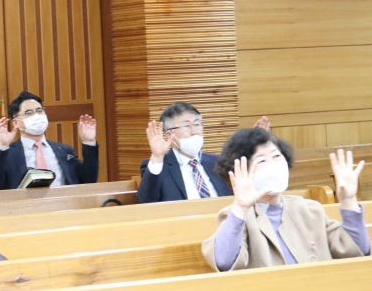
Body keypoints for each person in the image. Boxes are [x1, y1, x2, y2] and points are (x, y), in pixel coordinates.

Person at [202, 128, 368, 271]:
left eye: (276, 156)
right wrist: (240, 208)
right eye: (262, 160)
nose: (273, 164)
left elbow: (356, 251)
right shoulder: (237, 216)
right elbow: (224, 262)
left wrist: (348, 201)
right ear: (242, 171)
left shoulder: (309, 208)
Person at [0, 91, 99, 190]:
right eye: (29, 113)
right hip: (27, 208)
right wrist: (2, 146)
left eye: (39, 110)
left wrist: (88, 142)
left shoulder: (64, 150)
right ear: (16, 122)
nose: (37, 116)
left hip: (63, 206)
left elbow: (89, 179)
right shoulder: (8, 154)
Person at [137, 102, 236, 203]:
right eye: (186, 126)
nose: (194, 132)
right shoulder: (159, 167)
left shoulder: (218, 162)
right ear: (169, 134)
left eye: (197, 124)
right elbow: (145, 202)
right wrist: (157, 157)